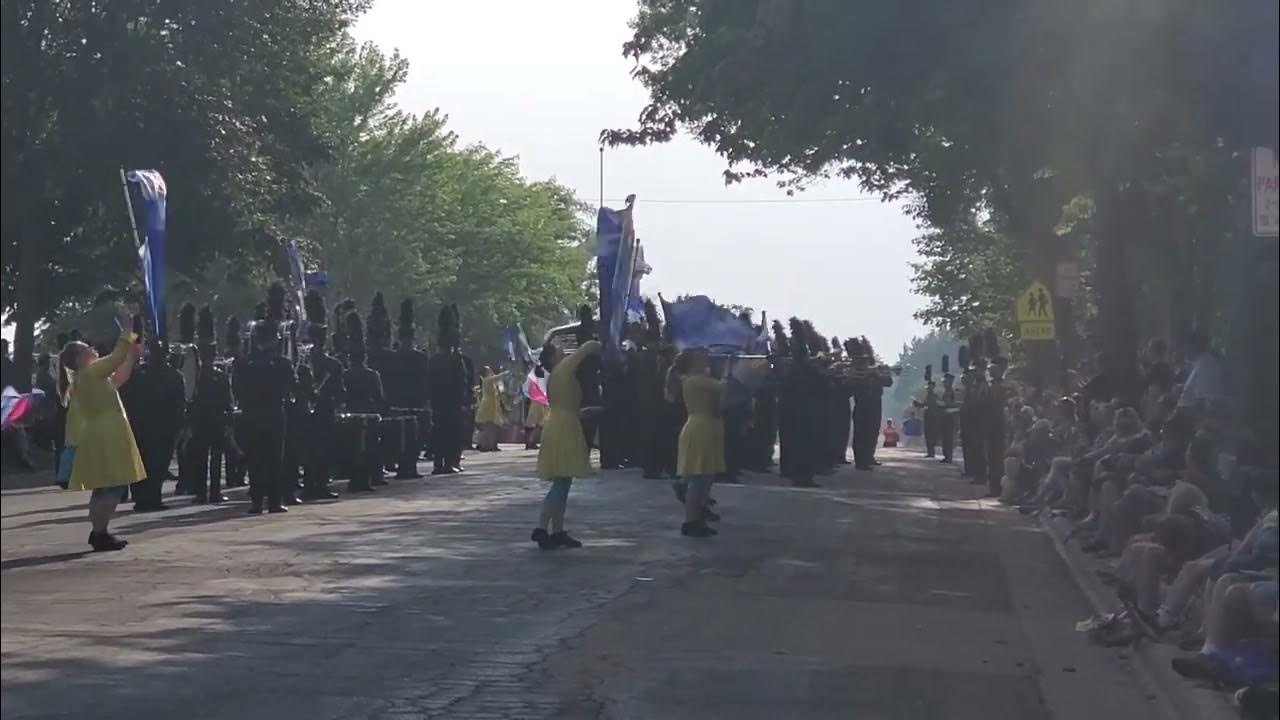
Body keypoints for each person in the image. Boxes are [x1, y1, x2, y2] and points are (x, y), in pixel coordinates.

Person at [59, 304, 145, 551]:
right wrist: (127, 328)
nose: (92, 347)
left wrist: (131, 355)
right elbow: (117, 358)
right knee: (112, 485)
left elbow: (120, 376)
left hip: (102, 433)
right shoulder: (91, 372)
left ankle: (100, 530)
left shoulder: (88, 377)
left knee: (106, 485)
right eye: (86, 348)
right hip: (108, 434)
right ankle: (100, 531)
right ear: (79, 358)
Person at [531, 339, 602, 550]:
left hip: (562, 423)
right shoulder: (563, 368)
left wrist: (583, 412)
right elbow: (585, 349)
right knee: (561, 483)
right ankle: (542, 528)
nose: (563, 350)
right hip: (563, 428)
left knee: (564, 482)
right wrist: (601, 342)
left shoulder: (557, 374)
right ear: (554, 356)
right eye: (559, 349)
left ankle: (557, 530)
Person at [234, 315, 296, 514]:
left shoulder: (244, 363)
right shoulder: (282, 363)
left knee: (255, 459)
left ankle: (257, 501)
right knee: (275, 459)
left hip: (252, 416)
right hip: (274, 415)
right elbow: (291, 388)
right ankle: (274, 501)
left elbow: (236, 389)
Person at [676, 348, 725, 538]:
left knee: (705, 479)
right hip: (700, 428)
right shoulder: (694, 379)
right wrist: (726, 368)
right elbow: (723, 387)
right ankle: (691, 521)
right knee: (700, 478)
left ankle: (697, 518)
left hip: (705, 427)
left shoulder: (697, 379)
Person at [1177, 330, 1223, 410]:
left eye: (1185, 347)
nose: (1183, 351)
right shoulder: (1200, 363)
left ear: (1194, 346)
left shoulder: (1206, 366)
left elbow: (1203, 399)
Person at [474, 366, 506, 451]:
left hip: (492, 404)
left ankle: (489, 444)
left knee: (492, 426)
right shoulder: (487, 380)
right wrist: (506, 372)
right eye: (489, 370)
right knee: (490, 426)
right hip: (488, 405)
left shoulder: (488, 381)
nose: (491, 371)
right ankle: (487, 444)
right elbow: (497, 377)